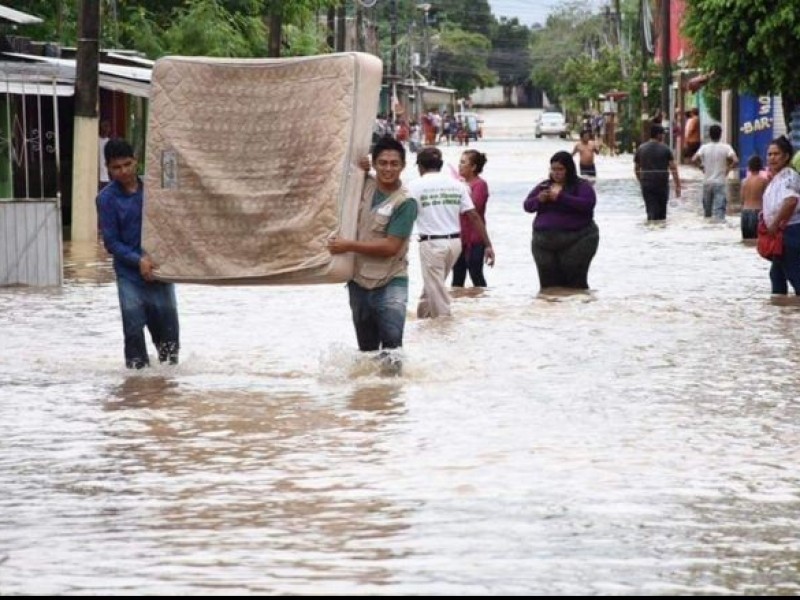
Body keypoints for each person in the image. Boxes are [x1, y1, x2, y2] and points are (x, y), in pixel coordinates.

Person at [327, 136, 417, 372]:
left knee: (392, 349)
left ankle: (392, 399)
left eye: (394, 163)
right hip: (358, 281)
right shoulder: (362, 184)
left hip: (391, 281)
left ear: (403, 166)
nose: (388, 168)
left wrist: (348, 246)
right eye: (383, 163)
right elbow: (338, 169)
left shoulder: (406, 202)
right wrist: (359, 166)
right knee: (366, 352)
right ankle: (370, 400)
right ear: (375, 164)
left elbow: (391, 247)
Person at [97, 138, 180, 369]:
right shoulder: (106, 199)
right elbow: (111, 242)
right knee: (134, 338)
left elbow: (174, 224)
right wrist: (138, 260)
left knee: (170, 345)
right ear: (108, 169)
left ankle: (165, 396)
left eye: (127, 164)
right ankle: (136, 394)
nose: (123, 171)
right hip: (129, 277)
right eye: (116, 167)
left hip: (160, 274)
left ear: (136, 162)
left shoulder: (156, 192)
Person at [407, 146, 495, 318]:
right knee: (432, 287)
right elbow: (474, 217)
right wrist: (488, 245)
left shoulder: (414, 186)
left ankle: (445, 327)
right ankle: (422, 319)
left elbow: (407, 217)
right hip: (455, 244)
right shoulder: (458, 185)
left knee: (437, 291)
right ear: (440, 165)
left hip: (432, 244)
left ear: (420, 167)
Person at [523, 150, 599, 290]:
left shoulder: (581, 186)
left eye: (560, 169)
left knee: (575, 284)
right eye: (553, 169)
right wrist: (539, 199)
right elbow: (527, 206)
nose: (556, 173)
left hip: (577, 240)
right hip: (543, 242)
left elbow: (588, 204)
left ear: (569, 169)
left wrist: (561, 197)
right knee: (548, 287)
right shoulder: (544, 186)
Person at [761, 136, 800, 295]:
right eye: (769, 154)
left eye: (776, 154)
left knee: (794, 274)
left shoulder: (788, 176)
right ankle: (781, 313)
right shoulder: (777, 177)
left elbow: (790, 201)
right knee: (776, 274)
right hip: (781, 232)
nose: (772, 158)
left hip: (790, 231)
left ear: (786, 156)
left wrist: (775, 224)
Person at [452, 150, 489, 288]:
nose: (459, 166)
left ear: (473, 167)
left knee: (476, 275)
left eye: (463, 162)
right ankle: (460, 307)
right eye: (459, 162)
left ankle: (482, 305)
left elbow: (473, 208)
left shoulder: (480, 184)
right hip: (459, 237)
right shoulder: (459, 185)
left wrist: (463, 190)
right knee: (457, 277)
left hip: (475, 239)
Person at [634, 124, 682, 222]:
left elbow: (636, 168)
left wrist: (641, 181)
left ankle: (651, 230)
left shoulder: (641, 148)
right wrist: (677, 185)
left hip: (647, 184)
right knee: (662, 212)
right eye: (663, 134)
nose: (664, 136)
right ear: (658, 135)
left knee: (650, 209)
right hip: (662, 184)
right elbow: (673, 168)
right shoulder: (665, 149)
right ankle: (660, 233)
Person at [691, 124, 739, 221]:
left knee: (707, 213)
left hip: (707, 183)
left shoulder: (704, 147)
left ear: (709, 135)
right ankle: (718, 230)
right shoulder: (726, 147)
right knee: (719, 212)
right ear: (720, 134)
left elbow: (694, 159)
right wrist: (728, 169)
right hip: (720, 183)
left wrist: (701, 167)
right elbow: (736, 160)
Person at [740, 155, 768, 240]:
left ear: (749, 167)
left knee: (747, 241)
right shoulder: (763, 181)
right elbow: (767, 199)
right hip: (758, 212)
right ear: (760, 166)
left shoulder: (744, 181)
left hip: (745, 213)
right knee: (757, 241)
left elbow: (742, 199)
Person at [98, 119, 111, 192]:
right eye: (104, 126)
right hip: (98, 176)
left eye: (107, 127)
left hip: (107, 177)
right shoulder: (95, 140)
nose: (106, 129)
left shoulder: (110, 142)